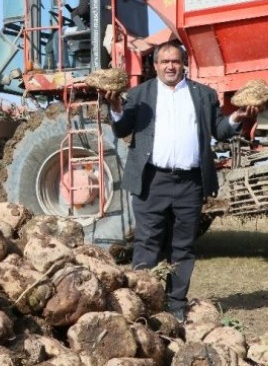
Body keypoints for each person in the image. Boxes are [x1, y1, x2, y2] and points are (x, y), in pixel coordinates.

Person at [103, 41, 258, 322]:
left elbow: (221, 131)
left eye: (175, 61)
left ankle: (176, 303)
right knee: (147, 242)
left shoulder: (204, 95)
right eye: (164, 62)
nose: (170, 67)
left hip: (190, 182)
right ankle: (143, 300)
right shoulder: (139, 94)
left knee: (183, 245)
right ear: (156, 66)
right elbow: (123, 127)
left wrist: (235, 117)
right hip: (152, 180)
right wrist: (115, 106)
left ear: (184, 64)